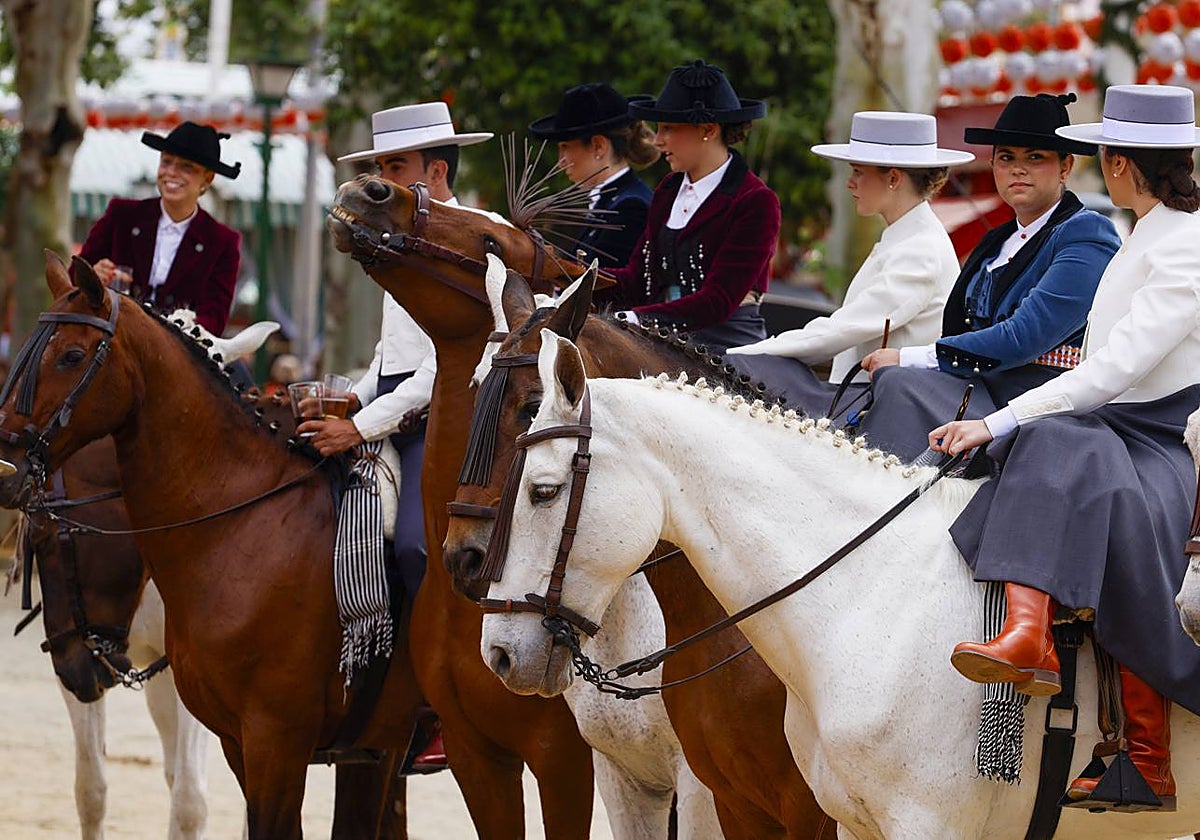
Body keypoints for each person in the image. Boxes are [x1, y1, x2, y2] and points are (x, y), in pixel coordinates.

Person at [932, 84, 1200, 812]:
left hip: (1166, 438)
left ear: (1117, 162)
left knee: (1048, 439)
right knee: (1052, 441)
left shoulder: (1185, 242)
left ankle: (1135, 742)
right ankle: (1029, 635)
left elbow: (1114, 369)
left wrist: (999, 420)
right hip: (1118, 423)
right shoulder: (1142, 227)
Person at [302, 101, 493, 773]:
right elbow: (395, 352)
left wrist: (359, 424)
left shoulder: (482, 234)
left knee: (416, 547)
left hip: (453, 416)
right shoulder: (395, 235)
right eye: (379, 165)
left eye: (395, 166)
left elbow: (444, 365)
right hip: (394, 401)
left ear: (436, 169)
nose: (381, 177)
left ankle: (435, 705)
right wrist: (352, 394)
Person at [853, 94, 1121, 459]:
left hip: (1034, 405)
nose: (1018, 169)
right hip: (971, 391)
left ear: (1065, 167)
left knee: (901, 381)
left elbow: (1024, 336)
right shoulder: (996, 240)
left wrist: (913, 357)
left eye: (1035, 157)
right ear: (993, 164)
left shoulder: (1086, 232)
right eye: (1007, 157)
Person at [724, 111, 972, 416]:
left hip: (884, 413)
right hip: (864, 398)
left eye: (857, 172)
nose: (850, 183)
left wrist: (745, 353)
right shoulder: (906, 237)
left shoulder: (920, 249)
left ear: (893, 178)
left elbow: (843, 329)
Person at [600, 60, 781, 354]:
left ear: (708, 129)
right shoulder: (669, 190)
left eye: (668, 128)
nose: (657, 141)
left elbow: (717, 301)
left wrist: (635, 320)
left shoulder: (756, 202)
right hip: (662, 342)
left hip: (727, 348)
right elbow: (635, 279)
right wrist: (566, 276)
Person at [78, 121, 243, 335]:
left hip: (178, 353)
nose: (171, 172)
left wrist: (179, 332)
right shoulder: (122, 215)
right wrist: (93, 276)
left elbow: (214, 318)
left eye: (186, 167)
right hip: (112, 342)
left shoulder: (222, 242)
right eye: (166, 162)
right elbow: (75, 275)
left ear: (207, 179)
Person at [529, 82, 660, 267]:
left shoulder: (630, 207)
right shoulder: (609, 202)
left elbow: (603, 286)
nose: (561, 161)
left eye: (565, 147)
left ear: (599, 146)